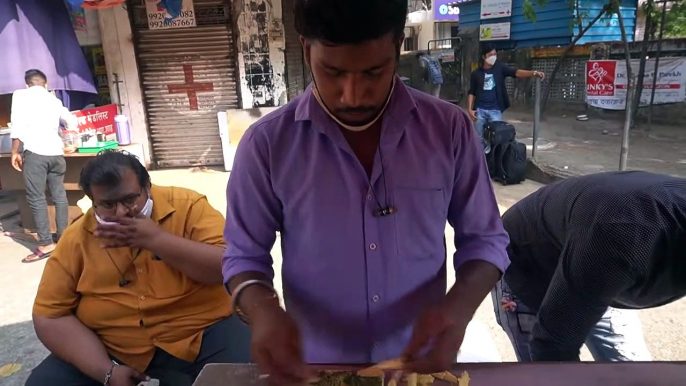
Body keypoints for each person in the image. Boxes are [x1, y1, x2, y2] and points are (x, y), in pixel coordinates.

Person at [223, 0, 510, 384]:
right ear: (307, 49)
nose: (352, 94)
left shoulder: (450, 130)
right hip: (315, 368)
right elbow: (243, 255)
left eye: (374, 72)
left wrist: (458, 309)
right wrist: (263, 312)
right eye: (333, 71)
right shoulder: (266, 145)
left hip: (417, 367)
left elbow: (486, 240)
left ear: (397, 47)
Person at [27, 150, 251, 386]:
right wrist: (107, 372)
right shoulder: (77, 237)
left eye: (130, 199)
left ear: (147, 187)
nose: (121, 212)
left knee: (254, 372)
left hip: (201, 331)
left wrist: (156, 240)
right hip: (114, 345)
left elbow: (231, 266)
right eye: (108, 204)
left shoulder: (188, 207)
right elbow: (50, 315)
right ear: (93, 203)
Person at [493, 171, 686, 362]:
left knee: (629, 372)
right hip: (529, 264)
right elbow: (552, 345)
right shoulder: (621, 236)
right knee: (549, 371)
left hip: (599, 263)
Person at [9, 69, 77, 262]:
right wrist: (70, 140)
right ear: (45, 84)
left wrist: (15, 152)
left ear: (27, 84)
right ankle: (63, 240)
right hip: (56, 154)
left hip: (36, 153)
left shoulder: (20, 95)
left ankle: (46, 243)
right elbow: (71, 120)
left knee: (37, 198)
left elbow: (18, 125)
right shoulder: (53, 100)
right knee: (59, 195)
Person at [467, 44, 545, 152]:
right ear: (484, 57)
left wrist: (533, 73)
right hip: (480, 110)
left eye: (495, 54)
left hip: (495, 110)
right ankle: (481, 162)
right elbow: (471, 92)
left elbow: (516, 72)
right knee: (478, 138)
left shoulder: (500, 68)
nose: (493, 57)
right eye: (490, 55)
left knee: (496, 138)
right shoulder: (476, 74)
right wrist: (470, 109)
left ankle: (494, 161)